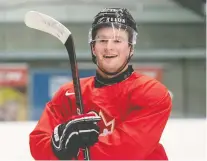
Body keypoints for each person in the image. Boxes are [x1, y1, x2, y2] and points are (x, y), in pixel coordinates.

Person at [29, 7, 172, 160]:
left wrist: (72, 153)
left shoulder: (150, 92)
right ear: (93, 47)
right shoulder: (69, 93)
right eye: (102, 40)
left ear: (130, 48)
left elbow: (128, 151)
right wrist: (58, 147)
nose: (109, 47)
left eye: (117, 40)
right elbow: (38, 143)